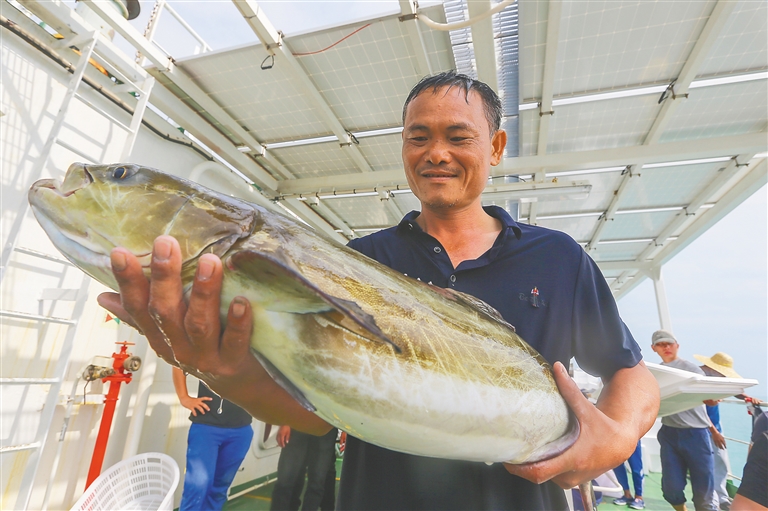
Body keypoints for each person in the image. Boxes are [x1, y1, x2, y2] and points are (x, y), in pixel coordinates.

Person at [97, 71, 660, 511]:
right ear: (403, 148)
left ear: (496, 146)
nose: (436, 152)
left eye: (457, 137)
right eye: (419, 138)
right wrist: (226, 372)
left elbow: (628, 369)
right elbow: (314, 414)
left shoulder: (556, 256)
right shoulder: (357, 261)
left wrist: (616, 439)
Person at [651, 330, 720, 511]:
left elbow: (708, 401)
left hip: (696, 434)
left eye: (669, 343)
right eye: (660, 344)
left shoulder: (692, 369)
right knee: (670, 487)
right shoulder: (656, 374)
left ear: (677, 346)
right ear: (653, 348)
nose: (666, 347)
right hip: (669, 433)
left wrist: (713, 430)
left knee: (703, 490)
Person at [172, 366, 254, 511]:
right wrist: (184, 398)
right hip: (206, 428)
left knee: (219, 489)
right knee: (198, 485)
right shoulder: (207, 346)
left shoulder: (254, 353)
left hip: (241, 431)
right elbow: (177, 363)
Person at [694, 352, 744, 511]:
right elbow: (697, 408)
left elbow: (731, 388)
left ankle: (721, 499)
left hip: (713, 427)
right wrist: (714, 431)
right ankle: (714, 502)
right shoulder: (698, 380)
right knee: (708, 467)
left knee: (720, 463)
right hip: (703, 429)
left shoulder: (713, 378)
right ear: (712, 368)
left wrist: (746, 397)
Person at [270, 425, 337, 511]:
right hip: (297, 424)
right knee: (285, 481)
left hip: (326, 428)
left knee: (316, 484)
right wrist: (285, 423)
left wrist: (344, 431)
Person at [612, 440, 644, 509]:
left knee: (636, 468)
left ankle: (639, 497)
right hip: (615, 439)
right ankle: (627, 495)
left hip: (632, 437)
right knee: (617, 466)